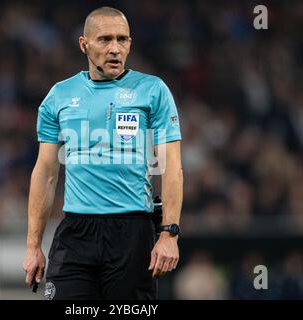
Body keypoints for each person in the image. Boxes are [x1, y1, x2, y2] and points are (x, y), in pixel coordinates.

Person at [23, 6, 183, 300]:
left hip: (132, 231)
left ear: (130, 44)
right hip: (76, 231)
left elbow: (172, 166)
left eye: (122, 40)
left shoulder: (153, 91)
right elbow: (45, 173)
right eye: (105, 39)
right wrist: (33, 246)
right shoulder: (58, 96)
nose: (115, 49)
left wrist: (169, 233)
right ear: (84, 44)